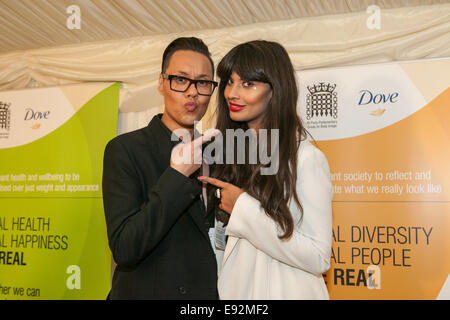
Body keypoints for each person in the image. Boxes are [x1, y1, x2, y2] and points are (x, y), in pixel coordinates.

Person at [198, 40, 333, 299]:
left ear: (275, 90)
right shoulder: (231, 154)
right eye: (230, 81)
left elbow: (318, 256)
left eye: (248, 84)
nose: (232, 93)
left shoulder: (305, 159)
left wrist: (243, 208)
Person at [102, 37, 220, 299]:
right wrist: (176, 176)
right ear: (161, 83)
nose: (192, 92)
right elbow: (125, 247)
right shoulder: (126, 150)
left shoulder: (218, 153)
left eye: (202, 82)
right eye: (181, 79)